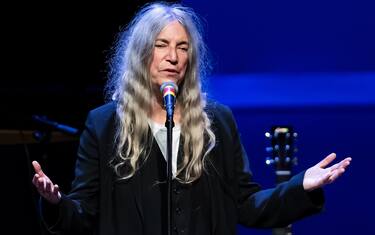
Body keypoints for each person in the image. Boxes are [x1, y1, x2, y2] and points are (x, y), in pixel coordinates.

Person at [31, 2, 352, 235]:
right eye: (162, 45)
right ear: (143, 53)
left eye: (182, 47)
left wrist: (301, 187)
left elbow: (247, 204)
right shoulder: (104, 125)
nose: (173, 56)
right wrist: (56, 202)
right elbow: (84, 212)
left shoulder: (217, 121)